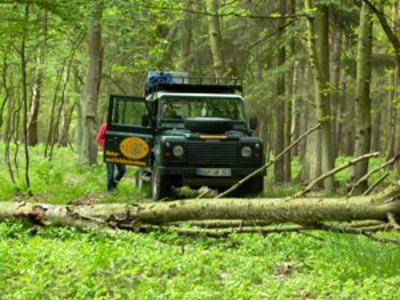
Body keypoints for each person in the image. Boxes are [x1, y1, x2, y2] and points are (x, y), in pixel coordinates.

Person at [97, 123, 126, 193]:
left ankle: (113, 184)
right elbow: (99, 138)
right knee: (110, 171)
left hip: (119, 152)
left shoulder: (120, 126)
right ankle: (110, 190)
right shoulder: (105, 126)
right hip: (109, 152)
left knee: (122, 169)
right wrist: (106, 144)